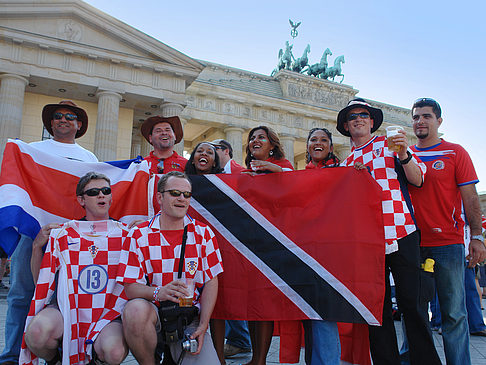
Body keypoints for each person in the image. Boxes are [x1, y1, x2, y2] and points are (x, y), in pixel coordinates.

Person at [336, 98, 440, 364]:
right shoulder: (345, 164)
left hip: (402, 232)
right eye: (352, 116)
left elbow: (418, 179)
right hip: (368, 241)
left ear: (372, 122)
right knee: (378, 309)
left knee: (413, 306)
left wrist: (405, 154)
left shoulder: (391, 145)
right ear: (346, 126)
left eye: (363, 114)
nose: (358, 118)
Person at [0, 100, 98, 365]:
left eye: (70, 116)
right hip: (32, 233)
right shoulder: (31, 150)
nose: (63, 119)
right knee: (21, 294)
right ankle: (10, 355)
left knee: (72, 296)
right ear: (51, 123)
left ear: (79, 125)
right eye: (58, 116)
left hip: (72, 241)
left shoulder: (90, 158)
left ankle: (59, 352)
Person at [20, 172, 129, 365]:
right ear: (81, 200)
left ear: (111, 196)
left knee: (114, 352)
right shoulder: (63, 234)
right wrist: (37, 247)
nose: (101, 195)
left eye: (106, 191)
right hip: (67, 310)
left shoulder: (128, 235)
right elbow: (42, 284)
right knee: (36, 333)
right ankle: (58, 361)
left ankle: (95, 360)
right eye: (94, 192)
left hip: (107, 314)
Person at [408, 97, 486, 364]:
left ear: (439, 121)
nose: (421, 121)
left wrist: (477, 237)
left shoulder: (455, 152)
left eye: (427, 116)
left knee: (454, 314)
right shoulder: (404, 154)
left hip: (448, 243)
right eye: (416, 117)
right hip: (412, 243)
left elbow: (470, 197)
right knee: (414, 312)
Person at [117, 171, 224, 365]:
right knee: (134, 311)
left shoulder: (203, 233)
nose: (182, 199)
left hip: (186, 319)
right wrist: (160, 292)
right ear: (159, 197)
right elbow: (130, 288)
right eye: (175, 193)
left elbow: (211, 281)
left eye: (187, 194)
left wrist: (203, 324)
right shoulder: (138, 234)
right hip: (153, 316)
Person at [243, 126, 293, 365]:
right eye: (252, 138)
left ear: (272, 144)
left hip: (273, 241)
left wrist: (275, 170)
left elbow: (296, 189)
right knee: (252, 301)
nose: (255, 140)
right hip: (250, 243)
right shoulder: (245, 171)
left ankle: (260, 360)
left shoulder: (284, 166)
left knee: (264, 301)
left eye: (261, 137)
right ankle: (255, 357)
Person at [302, 128, 341, 364]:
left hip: (330, 251)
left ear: (331, 147)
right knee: (310, 313)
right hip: (306, 250)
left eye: (323, 140)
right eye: (313, 140)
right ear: (307, 146)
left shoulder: (341, 172)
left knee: (324, 312)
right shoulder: (300, 175)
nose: (318, 143)